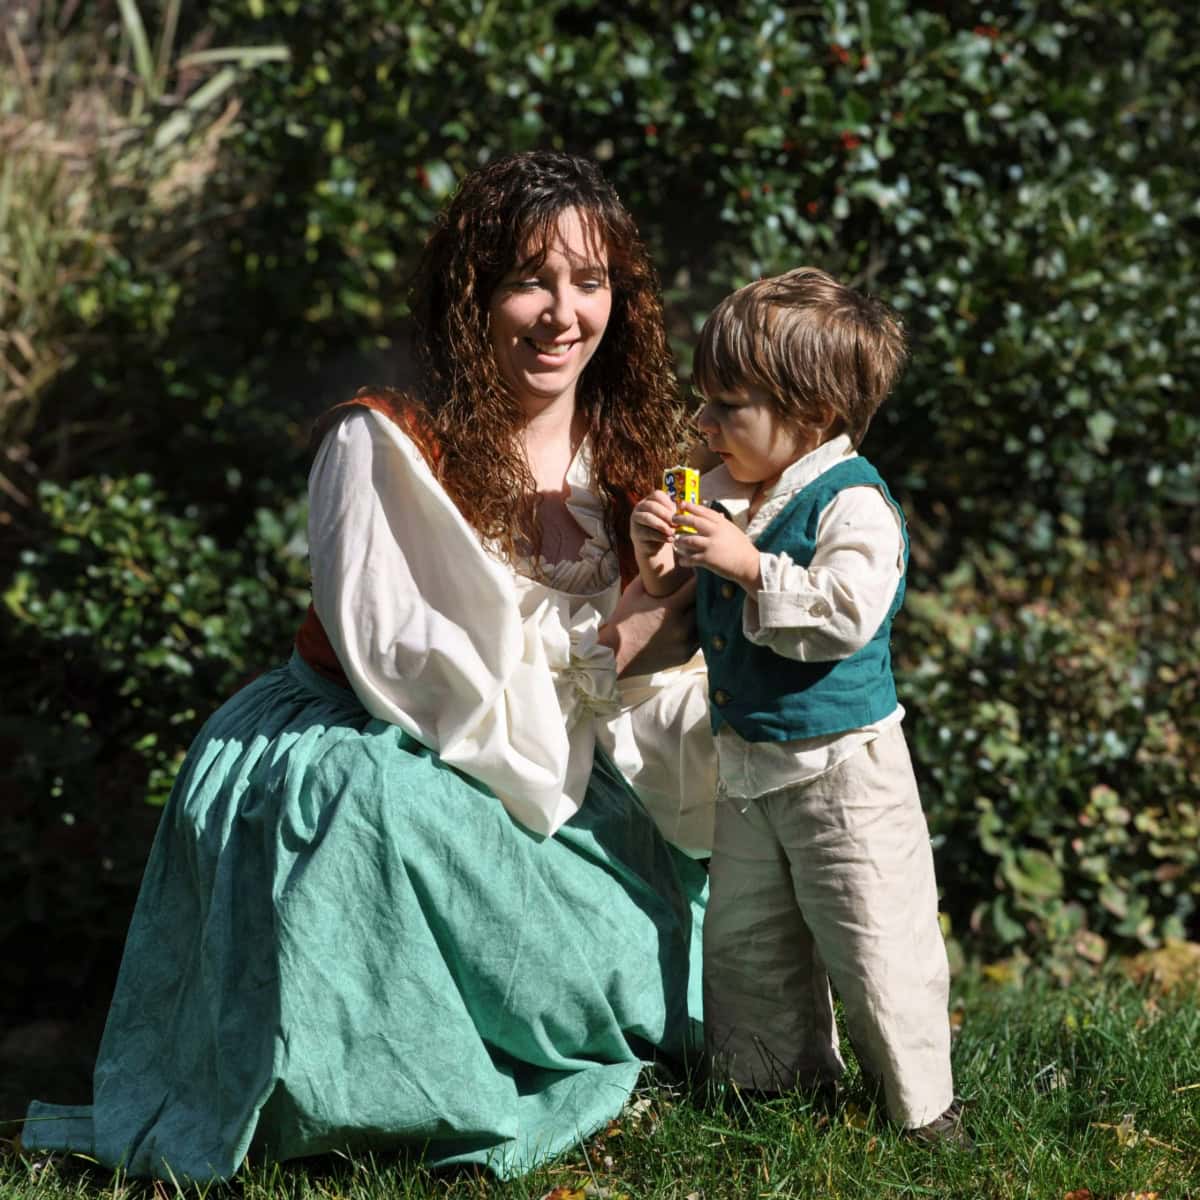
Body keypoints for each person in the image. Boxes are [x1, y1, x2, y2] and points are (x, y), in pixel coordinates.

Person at [23, 151, 717, 1180]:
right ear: (470, 291)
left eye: (592, 279)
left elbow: (667, 660)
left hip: (577, 752)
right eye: (530, 277)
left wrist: (668, 612)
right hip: (381, 728)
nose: (563, 312)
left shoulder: (633, 467)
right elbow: (416, 666)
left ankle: (580, 1020)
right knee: (366, 802)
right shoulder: (387, 443)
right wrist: (610, 645)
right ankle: (366, 1096)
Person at [630, 267, 966, 1144]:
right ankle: (769, 1085)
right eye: (701, 403)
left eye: (725, 406)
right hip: (750, 763)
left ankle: (923, 1106)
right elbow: (698, 619)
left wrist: (747, 566)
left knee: (874, 933)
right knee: (747, 940)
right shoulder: (738, 491)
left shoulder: (852, 503)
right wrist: (666, 564)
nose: (701, 425)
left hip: (842, 768)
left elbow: (842, 615)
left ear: (809, 414)